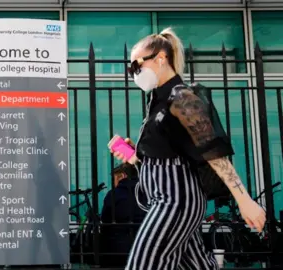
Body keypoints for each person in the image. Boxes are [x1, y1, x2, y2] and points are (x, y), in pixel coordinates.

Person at [109, 27, 266, 270]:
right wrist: (134, 157)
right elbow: (166, 157)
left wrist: (244, 200)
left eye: (136, 66)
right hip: (168, 199)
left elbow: (213, 150)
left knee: (143, 264)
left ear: (161, 58)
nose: (134, 73)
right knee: (198, 266)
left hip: (175, 202)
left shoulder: (181, 97)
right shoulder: (158, 103)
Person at [100, 163, 146, 267]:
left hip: (118, 248)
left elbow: (105, 219)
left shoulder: (114, 194)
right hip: (145, 244)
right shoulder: (149, 192)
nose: (114, 183)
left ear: (123, 176)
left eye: (115, 179)